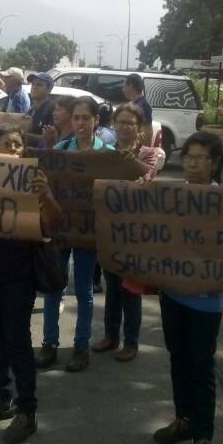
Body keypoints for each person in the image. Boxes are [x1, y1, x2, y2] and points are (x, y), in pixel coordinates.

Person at [0, 123, 62, 444]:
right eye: (6, 145)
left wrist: (46, 195)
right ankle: (1, 399)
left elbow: (54, 222)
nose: (14, 150)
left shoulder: (34, 182)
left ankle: (27, 410)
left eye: (18, 145)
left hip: (17, 275)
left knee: (17, 342)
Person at [154, 131, 223, 444]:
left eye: (200, 157)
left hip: (206, 301)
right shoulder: (171, 194)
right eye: (188, 156)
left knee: (201, 364)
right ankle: (183, 419)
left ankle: (203, 437)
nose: (192, 163)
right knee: (178, 358)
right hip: (172, 292)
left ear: (215, 163)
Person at [38, 95, 113, 373]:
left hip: (87, 233)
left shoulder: (107, 153)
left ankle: (81, 347)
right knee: (54, 287)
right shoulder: (60, 149)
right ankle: (49, 343)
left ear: (96, 120)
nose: (80, 123)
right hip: (60, 229)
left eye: (86, 118)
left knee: (84, 291)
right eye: (77, 117)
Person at [91, 102, 158, 362]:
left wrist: (133, 166)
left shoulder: (149, 153)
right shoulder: (105, 152)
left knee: (130, 289)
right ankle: (110, 336)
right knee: (113, 288)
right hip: (108, 230)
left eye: (130, 123)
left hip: (134, 233)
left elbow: (149, 180)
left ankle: (131, 341)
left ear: (139, 128)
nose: (124, 127)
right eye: (120, 122)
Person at [121, 73, 154, 145]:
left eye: (124, 87)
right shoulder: (134, 104)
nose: (123, 90)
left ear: (130, 86)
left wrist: (144, 151)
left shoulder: (142, 105)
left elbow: (147, 131)